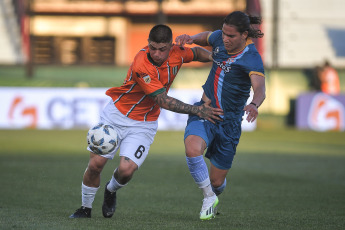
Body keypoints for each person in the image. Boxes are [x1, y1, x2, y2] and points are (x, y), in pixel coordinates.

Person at [69, 24, 223, 218]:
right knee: (96, 164)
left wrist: (214, 57)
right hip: (115, 116)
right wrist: (197, 110)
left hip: (143, 124)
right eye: (152, 48)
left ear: (171, 46)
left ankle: (111, 190)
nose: (156, 54)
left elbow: (196, 53)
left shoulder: (178, 53)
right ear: (148, 44)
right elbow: (162, 100)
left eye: (162, 49)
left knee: (126, 170)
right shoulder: (142, 64)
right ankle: (85, 209)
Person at [175, 11, 266, 220]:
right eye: (224, 33)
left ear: (244, 35)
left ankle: (213, 192)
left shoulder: (251, 58)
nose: (225, 39)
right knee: (192, 148)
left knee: (216, 182)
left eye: (231, 36)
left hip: (230, 124)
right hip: (205, 111)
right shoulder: (220, 38)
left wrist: (254, 104)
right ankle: (208, 197)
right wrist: (191, 38)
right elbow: (208, 35)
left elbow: (260, 88)